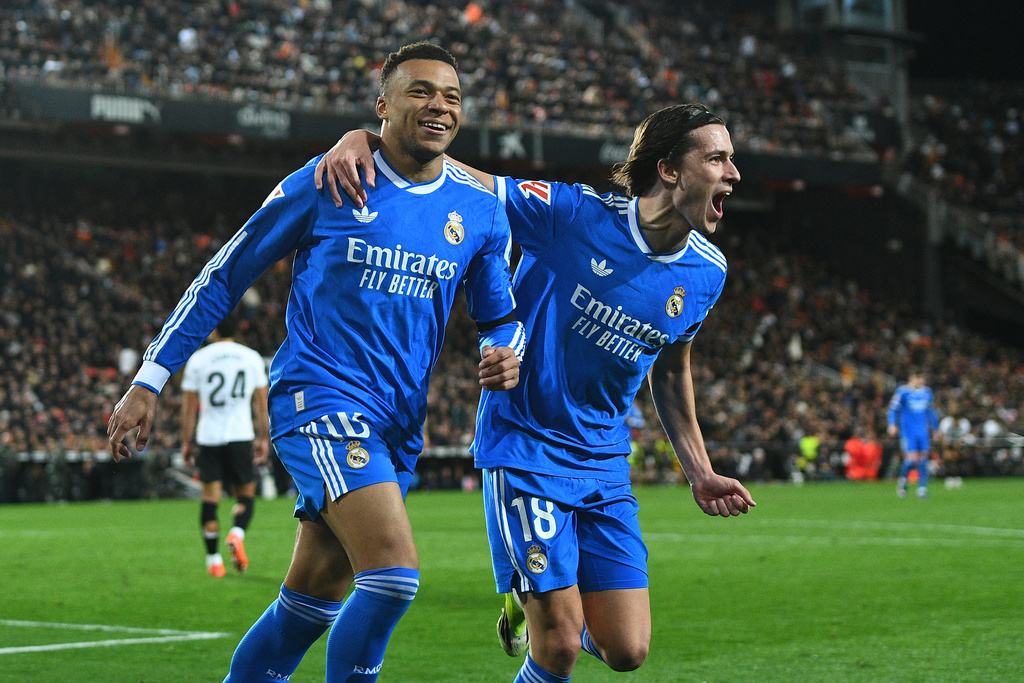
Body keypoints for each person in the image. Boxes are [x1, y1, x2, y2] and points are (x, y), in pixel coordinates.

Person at [108, 42, 525, 682]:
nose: (439, 105)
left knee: (308, 605)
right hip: (320, 400)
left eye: (451, 96)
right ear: (382, 105)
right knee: (392, 577)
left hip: (397, 424)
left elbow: (498, 314)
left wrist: (505, 351)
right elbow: (224, 275)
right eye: (420, 91)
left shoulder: (479, 209)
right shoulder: (329, 180)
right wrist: (150, 380)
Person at [316, 102, 756, 683]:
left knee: (627, 650)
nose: (734, 173)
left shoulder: (707, 271)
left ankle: (529, 601)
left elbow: (671, 370)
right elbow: (462, 178)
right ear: (670, 169)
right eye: (718, 158)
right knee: (559, 646)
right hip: (524, 447)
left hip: (602, 463)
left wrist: (699, 471)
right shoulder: (571, 214)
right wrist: (368, 140)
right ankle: (538, 609)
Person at [179, 312, 270, 577]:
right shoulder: (251, 357)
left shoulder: (198, 359)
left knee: (210, 499)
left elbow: (188, 408)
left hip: (209, 437)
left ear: (213, 330)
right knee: (245, 495)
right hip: (240, 435)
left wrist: (186, 441)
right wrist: (263, 437)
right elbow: (261, 404)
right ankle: (236, 533)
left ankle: (213, 561)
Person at [887, 371, 939, 499]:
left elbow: (931, 412)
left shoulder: (927, 392)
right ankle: (903, 480)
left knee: (923, 459)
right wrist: (892, 424)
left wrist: (936, 429)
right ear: (911, 378)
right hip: (908, 431)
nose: (920, 381)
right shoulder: (902, 392)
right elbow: (893, 409)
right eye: (918, 378)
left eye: (921, 378)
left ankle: (922, 489)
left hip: (922, 432)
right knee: (911, 459)